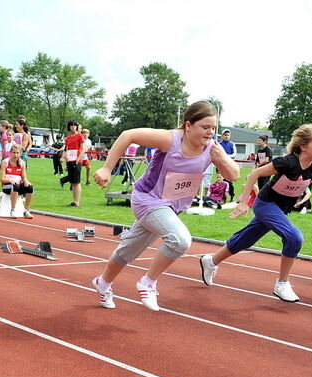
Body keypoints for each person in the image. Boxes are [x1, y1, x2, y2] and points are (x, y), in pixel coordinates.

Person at [92, 101, 240, 311]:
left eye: (213, 128)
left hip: (171, 207)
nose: (210, 132)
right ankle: (147, 283)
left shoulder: (212, 149)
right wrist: (107, 169)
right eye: (205, 127)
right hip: (147, 199)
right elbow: (128, 135)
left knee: (127, 252)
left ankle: (102, 283)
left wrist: (223, 158)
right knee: (180, 241)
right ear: (188, 125)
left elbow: (234, 175)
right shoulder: (170, 139)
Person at [200, 124, 312, 302]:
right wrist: (243, 202)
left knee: (245, 239)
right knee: (294, 237)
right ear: (303, 146)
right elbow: (253, 174)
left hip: (282, 209)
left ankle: (211, 261)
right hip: (266, 204)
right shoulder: (287, 162)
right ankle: (282, 283)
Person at [0, 144, 34, 219]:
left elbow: (24, 178)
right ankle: (13, 210)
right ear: (10, 152)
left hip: (18, 185)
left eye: (18, 153)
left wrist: (27, 182)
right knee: (15, 186)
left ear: (20, 153)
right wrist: (9, 180)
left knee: (30, 187)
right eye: (14, 152)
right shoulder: (5, 162)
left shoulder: (22, 163)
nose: (16, 155)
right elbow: (2, 179)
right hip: (7, 186)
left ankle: (26, 211)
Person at [59, 120, 85, 207]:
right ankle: (74, 201)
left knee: (76, 181)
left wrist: (78, 159)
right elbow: (66, 150)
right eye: (71, 125)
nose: (73, 127)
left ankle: (77, 201)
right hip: (70, 160)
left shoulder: (80, 136)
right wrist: (64, 159)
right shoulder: (68, 138)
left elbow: (83, 149)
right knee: (72, 182)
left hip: (76, 161)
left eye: (74, 125)